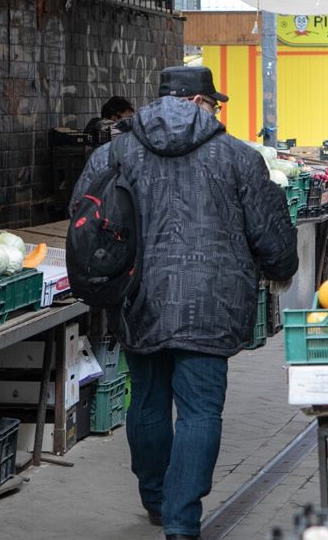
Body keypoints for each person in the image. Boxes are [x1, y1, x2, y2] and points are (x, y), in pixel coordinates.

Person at [72, 66, 298, 540]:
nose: (216, 110)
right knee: (199, 411)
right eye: (213, 102)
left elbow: (84, 218)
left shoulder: (113, 152)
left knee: (148, 401)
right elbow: (269, 229)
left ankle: (155, 498)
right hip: (212, 303)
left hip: (137, 298)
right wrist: (280, 268)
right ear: (198, 103)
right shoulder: (238, 157)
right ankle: (181, 521)